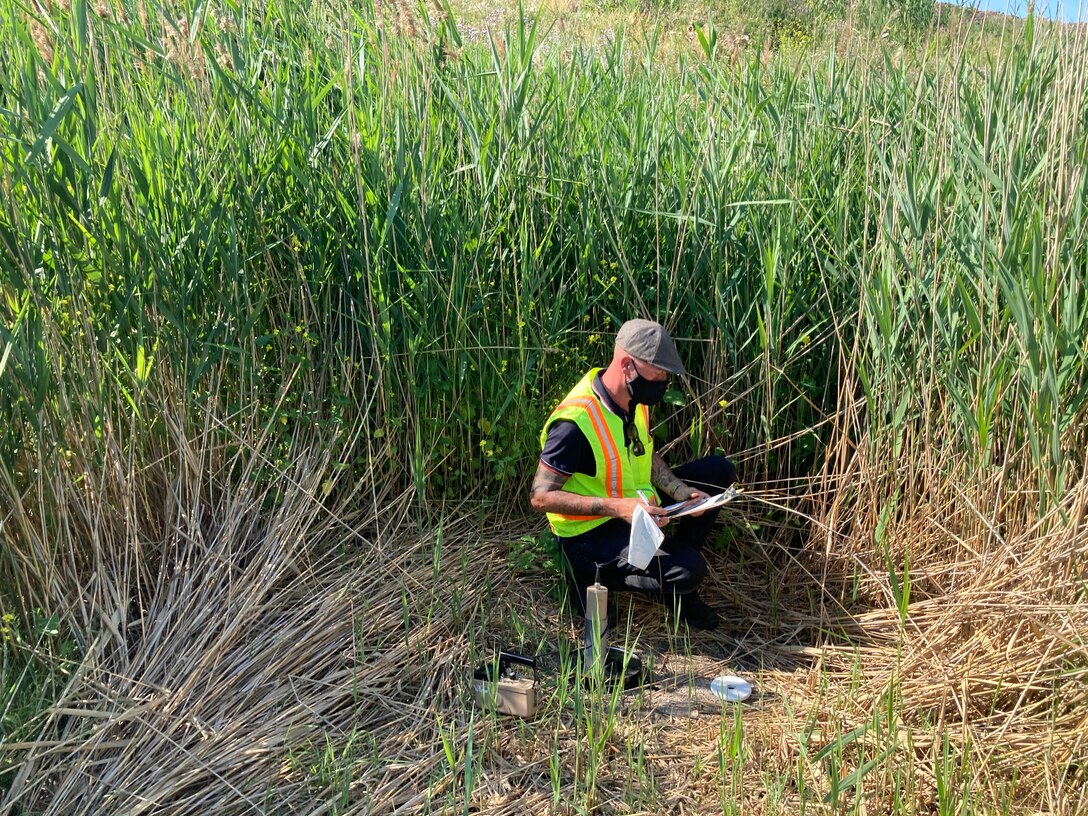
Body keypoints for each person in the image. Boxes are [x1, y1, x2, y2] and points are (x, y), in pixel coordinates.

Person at [529, 319, 737, 630]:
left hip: (636, 509)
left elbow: (643, 450)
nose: (664, 383)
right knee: (689, 569)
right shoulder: (575, 423)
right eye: (659, 375)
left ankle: (664, 577)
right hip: (590, 534)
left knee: (718, 472)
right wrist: (619, 508)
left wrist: (680, 491)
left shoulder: (632, 399)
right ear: (627, 365)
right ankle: (594, 576)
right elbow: (540, 497)